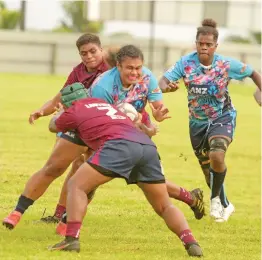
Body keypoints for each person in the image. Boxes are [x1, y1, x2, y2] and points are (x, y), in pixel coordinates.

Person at [47, 84, 203, 257]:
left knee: (76, 184)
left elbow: (53, 126)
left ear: (69, 103)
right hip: (146, 147)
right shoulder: (103, 104)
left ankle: (71, 239)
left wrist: (60, 113)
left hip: (119, 146)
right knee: (164, 205)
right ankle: (191, 243)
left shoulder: (74, 109)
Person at [2, 33, 116, 227]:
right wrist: (42, 110)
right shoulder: (78, 72)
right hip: (77, 124)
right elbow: (61, 97)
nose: (89, 56)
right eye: (84, 53)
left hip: (101, 127)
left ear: (101, 50)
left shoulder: (112, 70)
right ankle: (17, 212)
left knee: (83, 172)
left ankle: (63, 218)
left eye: (93, 51)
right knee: (54, 166)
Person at [159, 18, 261, 222]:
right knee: (208, 172)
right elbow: (163, 81)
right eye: (200, 44)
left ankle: (215, 199)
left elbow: (252, 72)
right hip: (197, 122)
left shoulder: (225, 64)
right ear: (195, 44)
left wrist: (260, 91)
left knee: (217, 154)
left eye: (208, 45)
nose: (204, 48)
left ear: (216, 46)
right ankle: (225, 203)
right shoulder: (185, 63)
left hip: (222, 116)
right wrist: (165, 87)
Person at [88, 44, 205, 217]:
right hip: (108, 134)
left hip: (139, 136)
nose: (135, 73)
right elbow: (97, 121)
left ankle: (192, 199)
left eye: (138, 68)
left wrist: (157, 115)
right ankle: (67, 218)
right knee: (87, 173)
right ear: (118, 66)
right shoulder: (103, 87)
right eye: (129, 68)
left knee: (152, 182)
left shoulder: (148, 78)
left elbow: (157, 107)